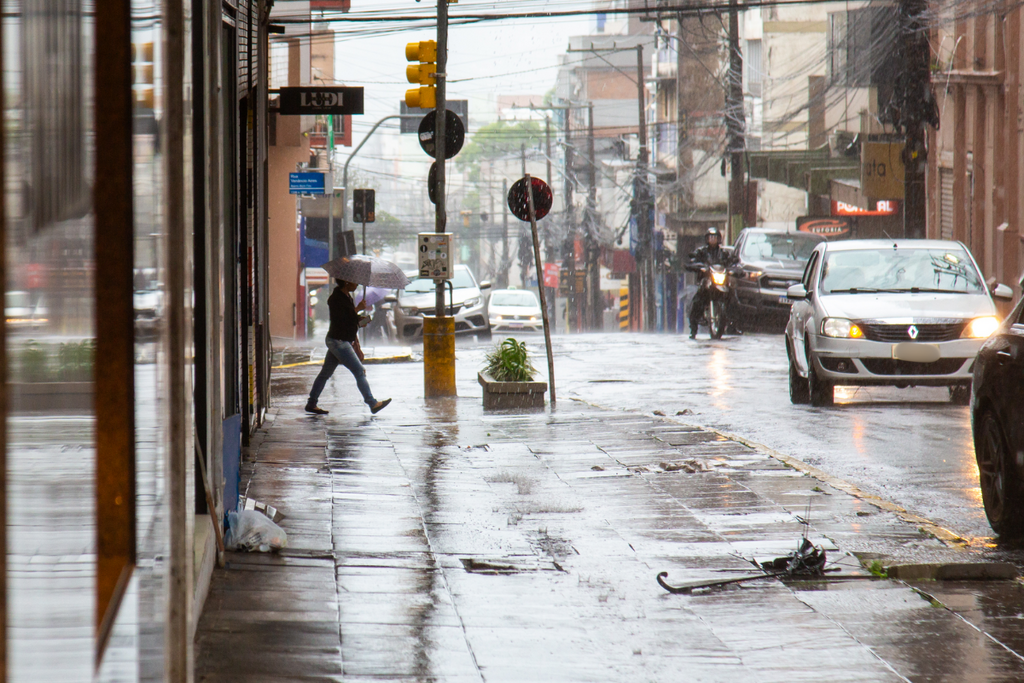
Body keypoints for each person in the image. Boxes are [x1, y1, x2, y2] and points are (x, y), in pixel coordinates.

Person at [306, 279, 391, 415]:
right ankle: (372, 403)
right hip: (339, 341)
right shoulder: (336, 299)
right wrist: (357, 309)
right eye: (354, 282)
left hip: (339, 339)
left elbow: (349, 318)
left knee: (325, 374)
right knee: (359, 371)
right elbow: (341, 319)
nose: (357, 284)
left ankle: (311, 403)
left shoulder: (346, 297)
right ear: (346, 283)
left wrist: (359, 319)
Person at [685, 226, 736, 339]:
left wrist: (734, 267)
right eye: (710, 237)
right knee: (697, 301)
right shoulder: (702, 252)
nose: (712, 240)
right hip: (707, 282)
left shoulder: (723, 253)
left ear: (719, 239)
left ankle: (735, 325)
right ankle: (693, 330)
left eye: (715, 237)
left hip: (721, 283)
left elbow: (733, 261)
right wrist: (697, 266)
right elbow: (693, 260)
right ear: (707, 239)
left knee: (733, 297)